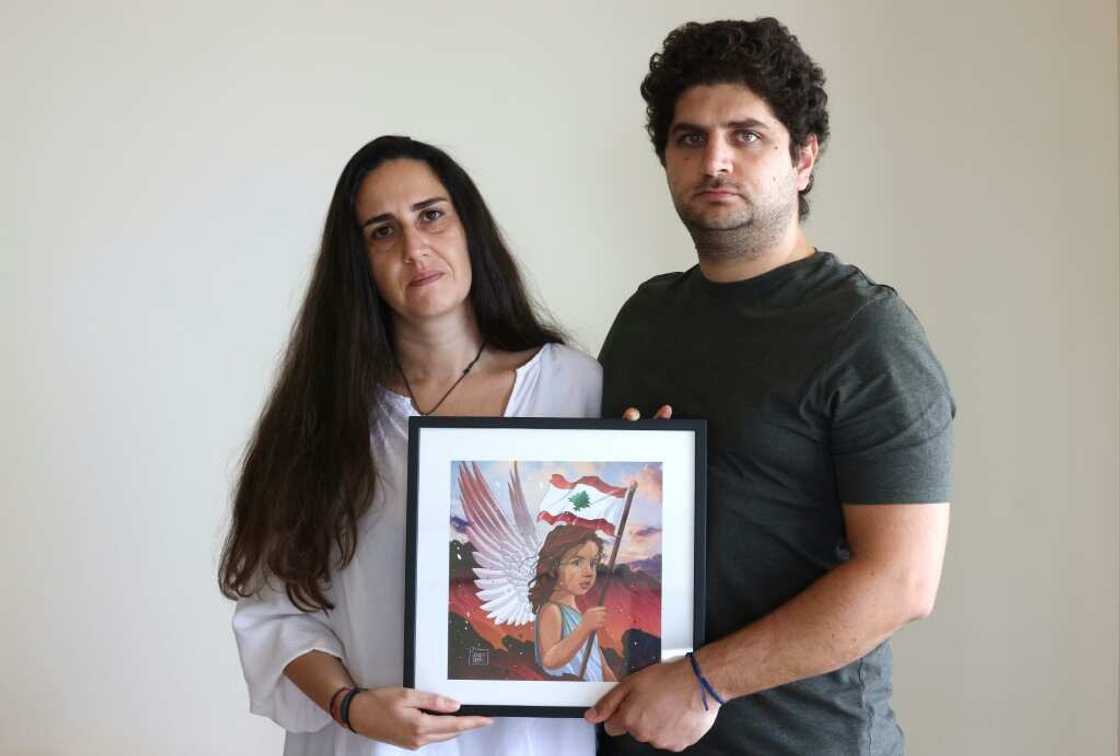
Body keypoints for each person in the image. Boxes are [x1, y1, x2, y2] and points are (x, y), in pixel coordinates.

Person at [586, 18, 955, 755]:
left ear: (804, 158)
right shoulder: (645, 317)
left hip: (804, 741)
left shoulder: (868, 333)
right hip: (636, 732)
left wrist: (701, 680)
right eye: (689, 138)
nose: (714, 159)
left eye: (746, 135)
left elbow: (902, 581)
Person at [219, 135, 600, 755]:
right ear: (358, 262)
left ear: (468, 226)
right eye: (381, 232)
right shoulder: (323, 417)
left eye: (431, 215)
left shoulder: (578, 388)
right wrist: (353, 707)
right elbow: (275, 611)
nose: (414, 248)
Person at [530, 526, 615, 682]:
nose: (589, 572)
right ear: (553, 567)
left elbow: (600, 663)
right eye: (576, 562)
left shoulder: (579, 614)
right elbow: (549, 661)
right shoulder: (552, 610)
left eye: (593, 563)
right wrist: (584, 628)